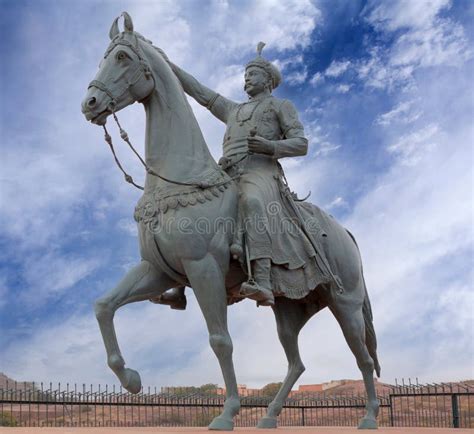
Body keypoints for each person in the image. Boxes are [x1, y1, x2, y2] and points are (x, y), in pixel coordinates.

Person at [157, 43, 331, 308]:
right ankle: (178, 287)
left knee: (251, 202)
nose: (247, 78)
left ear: (268, 80)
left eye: (252, 74)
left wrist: (271, 147)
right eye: (245, 74)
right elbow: (201, 93)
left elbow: (301, 143)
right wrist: (167, 65)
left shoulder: (281, 106)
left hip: (262, 173)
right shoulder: (233, 110)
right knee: (190, 205)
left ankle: (262, 279)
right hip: (227, 173)